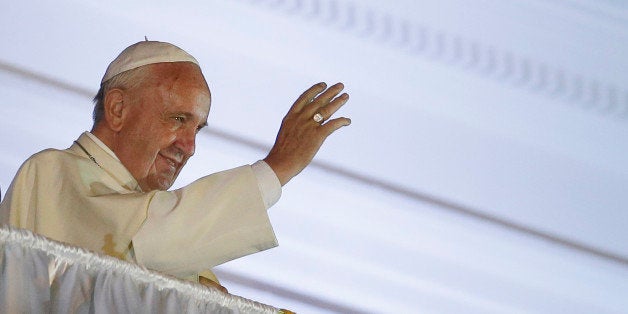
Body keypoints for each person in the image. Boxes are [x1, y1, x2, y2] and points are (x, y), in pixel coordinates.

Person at [0, 41, 351, 292]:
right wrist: (277, 168)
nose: (190, 146)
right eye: (178, 119)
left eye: (196, 128)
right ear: (118, 109)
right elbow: (148, 240)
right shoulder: (51, 173)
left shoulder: (149, 215)